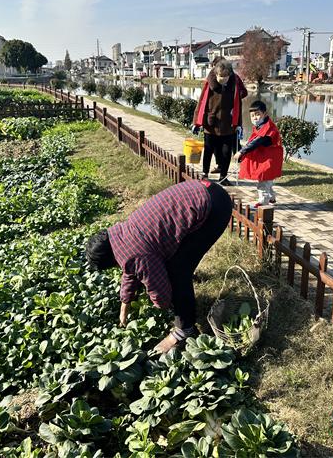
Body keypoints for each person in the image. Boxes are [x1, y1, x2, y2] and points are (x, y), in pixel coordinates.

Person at [85, 179, 233, 354]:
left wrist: (160, 304)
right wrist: (125, 301)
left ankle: (185, 329)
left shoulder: (136, 253)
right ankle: (185, 296)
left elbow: (161, 292)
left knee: (177, 272)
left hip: (214, 208)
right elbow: (130, 267)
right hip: (203, 189)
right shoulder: (121, 236)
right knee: (179, 261)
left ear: (110, 260)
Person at [191, 58, 247, 185]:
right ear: (216, 74)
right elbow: (201, 103)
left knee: (226, 152)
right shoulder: (209, 84)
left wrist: (239, 124)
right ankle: (205, 174)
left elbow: (240, 102)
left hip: (229, 125)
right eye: (220, 76)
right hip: (211, 124)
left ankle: (223, 177)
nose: (223, 79)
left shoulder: (235, 83)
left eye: (226, 76)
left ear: (230, 75)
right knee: (208, 150)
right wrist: (197, 121)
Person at [234, 100, 283, 207]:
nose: (255, 118)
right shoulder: (262, 126)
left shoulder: (268, 128)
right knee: (267, 181)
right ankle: (272, 197)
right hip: (268, 159)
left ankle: (263, 202)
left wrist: (242, 152)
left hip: (269, 160)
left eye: (257, 114)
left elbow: (257, 141)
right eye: (252, 116)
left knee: (263, 182)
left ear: (264, 114)